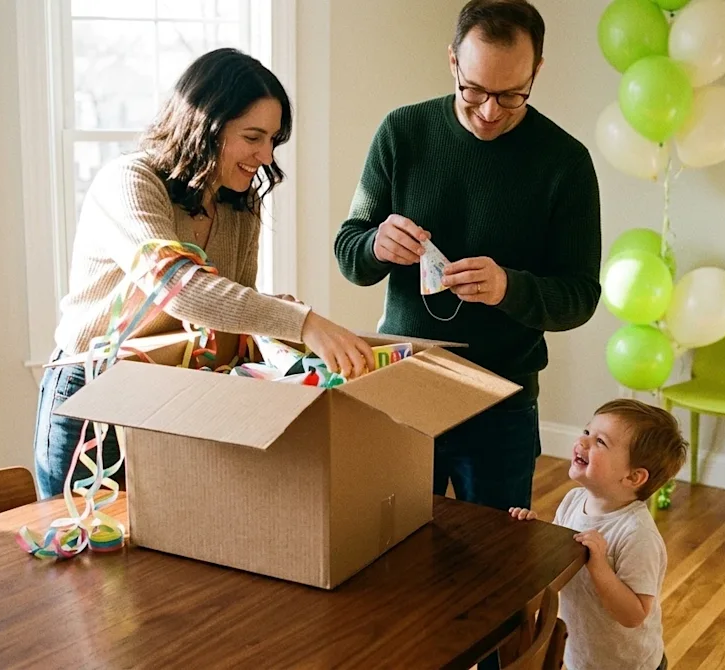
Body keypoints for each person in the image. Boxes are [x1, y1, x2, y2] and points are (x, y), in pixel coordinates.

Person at [35, 48, 373, 499]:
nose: (266, 155)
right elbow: (178, 286)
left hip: (169, 386)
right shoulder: (129, 182)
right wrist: (304, 322)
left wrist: (277, 317)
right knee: (81, 553)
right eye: (253, 137)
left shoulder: (240, 203)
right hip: (92, 391)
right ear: (206, 125)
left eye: (273, 140)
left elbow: (230, 306)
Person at [333, 0, 602, 513]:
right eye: (475, 90)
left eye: (511, 94)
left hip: (502, 401)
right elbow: (350, 252)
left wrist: (510, 288)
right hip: (405, 387)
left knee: (497, 567)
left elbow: (580, 297)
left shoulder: (564, 163)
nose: (489, 111)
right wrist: (375, 245)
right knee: (393, 556)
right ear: (453, 61)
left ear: (537, 71)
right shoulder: (402, 132)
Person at [510, 399, 687, 670]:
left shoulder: (637, 535)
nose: (583, 443)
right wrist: (531, 534)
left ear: (633, 477)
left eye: (600, 442)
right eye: (586, 432)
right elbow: (552, 562)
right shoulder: (572, 500)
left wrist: (599, 566)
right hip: (580, 657)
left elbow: (633, 615)